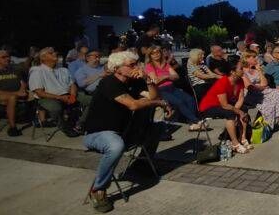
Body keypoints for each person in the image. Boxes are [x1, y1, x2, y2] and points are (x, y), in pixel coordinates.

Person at [83, 51, 173, 213]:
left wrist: (147, 79)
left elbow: (152, 95)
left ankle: (141, 164)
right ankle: (98, 189)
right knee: (116, 146)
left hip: (123, 130)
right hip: (99, 132)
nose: (137, 67)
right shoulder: (109, 82)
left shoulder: (134, 81)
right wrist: (159, 102)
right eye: (132, 65)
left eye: (137, 63)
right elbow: (133, 105)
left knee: (158, 127)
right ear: (117, 68)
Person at [29, 47, 91, 135]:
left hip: (67, 95)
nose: (55, 54)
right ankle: (63, 126)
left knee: (93, 100)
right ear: (43, 58)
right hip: (48, 98)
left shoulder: (63, 70)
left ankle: (80, 123)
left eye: (55, 52)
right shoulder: (37, 71)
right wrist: (61, 97)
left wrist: (73, 95)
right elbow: (40, 92)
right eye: (51, 53)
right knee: (55, 107)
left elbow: (72, 84)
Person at [144, 46, 206, 131]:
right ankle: (196, 121)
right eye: (153, 53)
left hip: (172, 88)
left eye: (158, 52)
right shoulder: (149, 66)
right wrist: (169, 76)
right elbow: (156, 81)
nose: (156, 55)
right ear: (150, 55)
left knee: (190, 99)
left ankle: (191, 123)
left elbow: (176, 76)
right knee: (179, 102)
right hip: (161, 90)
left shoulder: (165, 64)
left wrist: (165, 76)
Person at [198, 62, 251, 154]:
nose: (243, 70)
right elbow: (224, 105)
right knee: (230, 113)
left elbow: (241, 98)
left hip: (223, 104)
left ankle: (243, 138)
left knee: (244, 109)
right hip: (209, 106)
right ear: (233, 72)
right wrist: (237, 112)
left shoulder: (240, 80)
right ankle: (235, 144)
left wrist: (238, 111)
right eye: (241, 69)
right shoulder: (223, 82)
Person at [241, 51, 279, 126]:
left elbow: (265, 83)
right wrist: (262, 86)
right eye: (253, 57)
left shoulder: (256, 70)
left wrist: (259, 70)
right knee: (269, 103)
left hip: (261, 92)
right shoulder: (242, 71)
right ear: (246, 59)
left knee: (276, 92)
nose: (256, 59)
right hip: (250, 95)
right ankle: (271, 124)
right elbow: (249, 87)